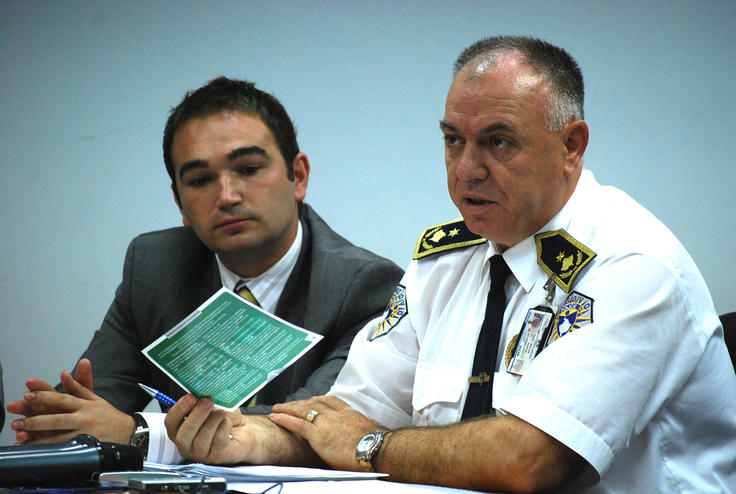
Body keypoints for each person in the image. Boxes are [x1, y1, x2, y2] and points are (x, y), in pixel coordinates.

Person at [163, 38, 736, 493]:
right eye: (453, 140)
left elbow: (530, 460)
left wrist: (370, 447)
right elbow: (344, 415)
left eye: (498, 142)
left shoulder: (634, 263)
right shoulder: (447, 260)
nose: (466, 169)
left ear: (572, 146)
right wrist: (247, 438)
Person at [6, 77, 403, 463]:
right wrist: (62, 422)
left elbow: (315, 424)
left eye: (249, 169)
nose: (227, 196)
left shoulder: (363, 286)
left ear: (297, 176)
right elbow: (97, 407)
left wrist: (139, 434)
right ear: (179, 202)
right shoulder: (155, 267)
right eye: (200, 180)